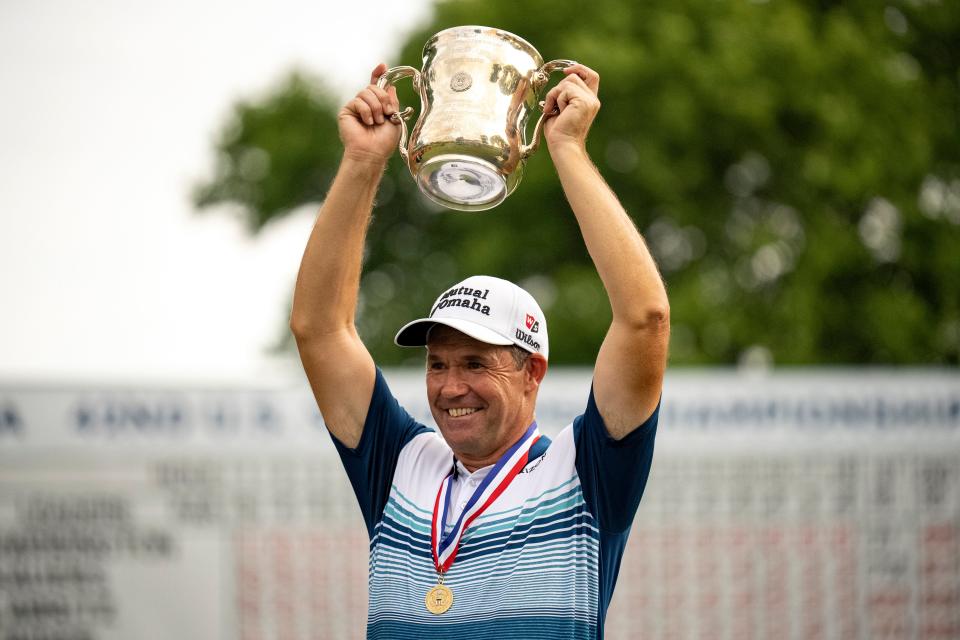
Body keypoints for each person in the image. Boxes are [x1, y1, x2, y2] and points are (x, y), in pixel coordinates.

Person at [290, 61, 669, 639]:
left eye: (475, 363)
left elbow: (645, 319)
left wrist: (566, 147)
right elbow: (319, 329)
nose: (449, 387)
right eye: (437, 363)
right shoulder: (401, 464)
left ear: (531, 372)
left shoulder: (586, 471)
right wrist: (363, 163)